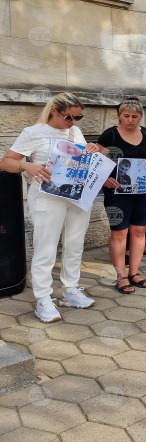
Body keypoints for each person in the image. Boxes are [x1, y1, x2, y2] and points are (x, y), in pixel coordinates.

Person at [0, 92, 101, 322]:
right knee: (45, 247)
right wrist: (27, 166)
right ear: (54, 111)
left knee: (75, 243)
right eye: (69, 117)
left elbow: (81, 160)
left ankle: (71, 288)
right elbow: (5, 162)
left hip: (76, 196)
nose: (74, 122)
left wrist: (92, 150)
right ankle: (43, 297)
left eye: (79, 117)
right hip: (47, 196)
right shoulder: (34, 132)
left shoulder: (75, 132)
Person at [97, 96, 146, 295]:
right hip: (117, 193)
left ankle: (134, 273)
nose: (130, 120)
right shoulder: (110, 135)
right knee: (119, 233)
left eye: (135, 116)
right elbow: (95, 161)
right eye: (126, 116)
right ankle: (121, 276)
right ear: (119, 116)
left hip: (143, 192)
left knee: (139, 231)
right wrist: (103, 179)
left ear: (141, 116)